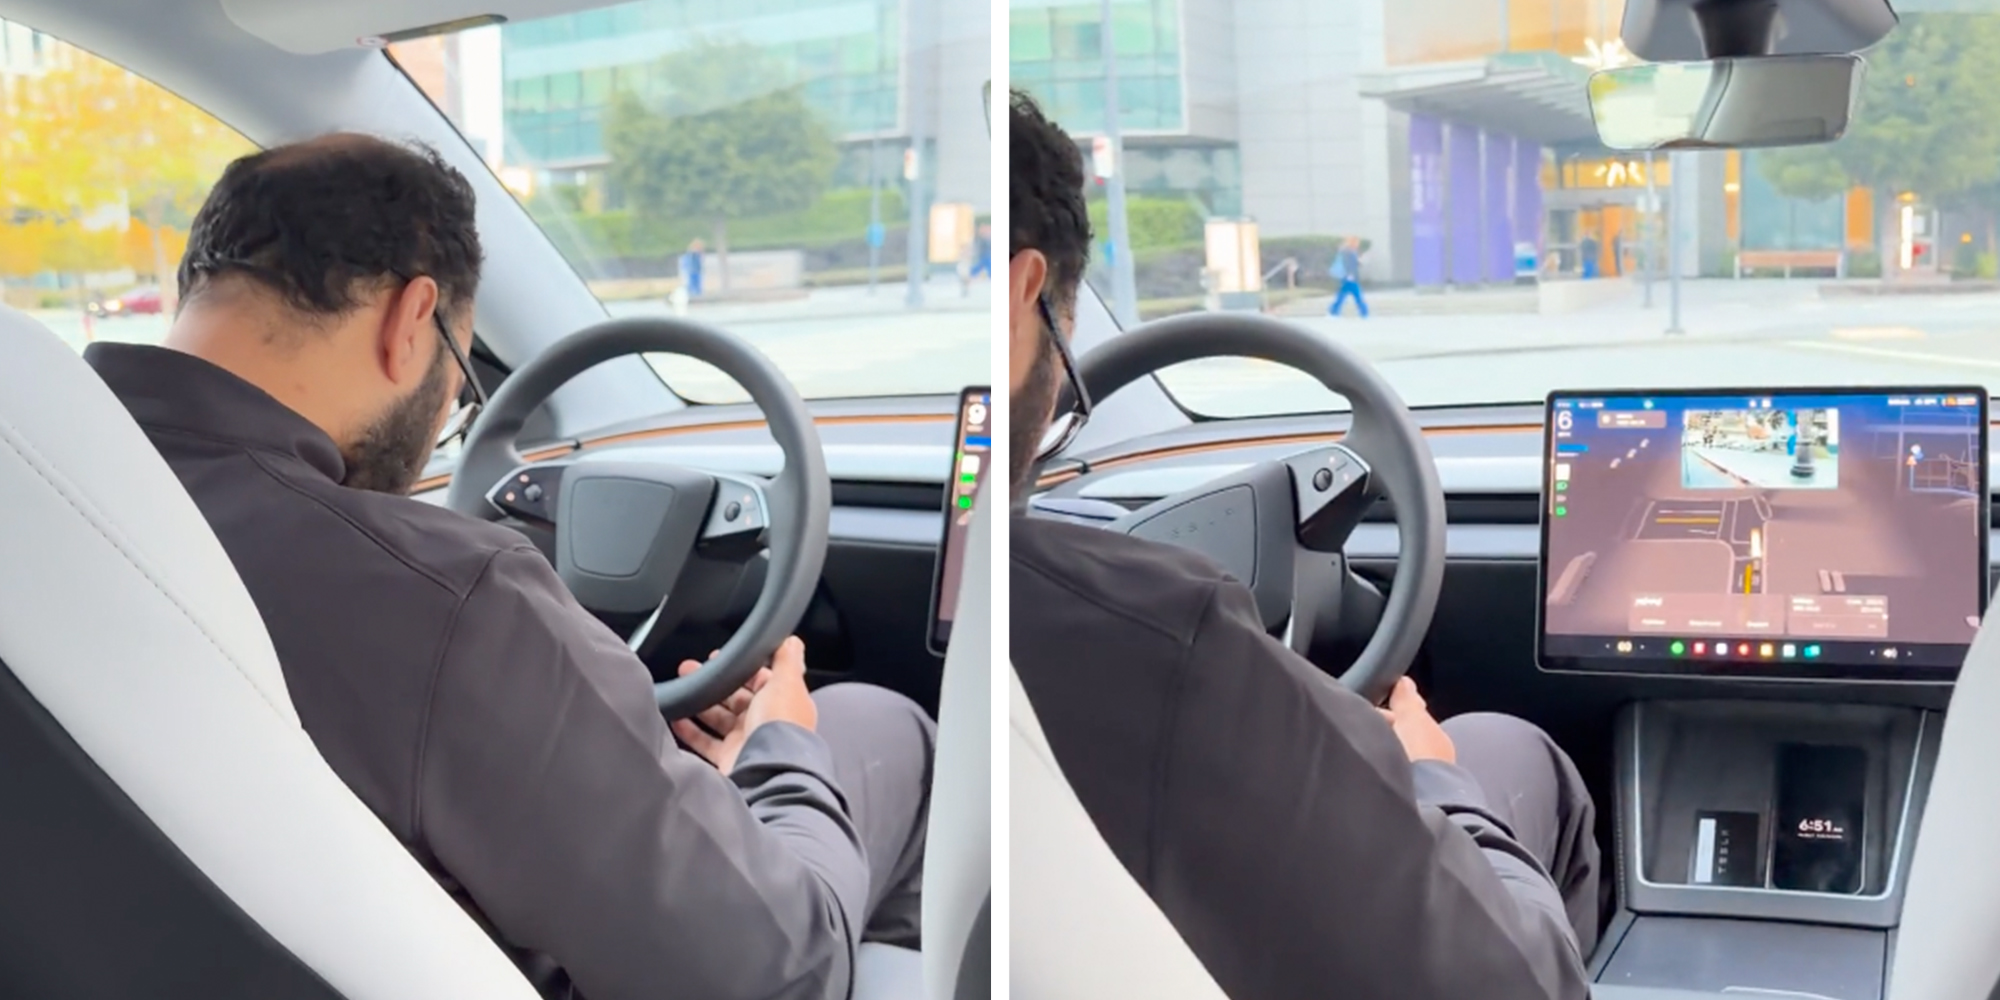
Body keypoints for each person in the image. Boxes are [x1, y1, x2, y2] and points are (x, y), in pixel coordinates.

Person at [84, 133, 932, 1000]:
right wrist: (780, 750)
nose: (450, 408)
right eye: (461, 374)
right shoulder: (447, 601)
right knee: (878, 723)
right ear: (412, 320)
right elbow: (780, 975)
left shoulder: (45, 493)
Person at [1008, 89, 1599, 1000]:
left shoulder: (983, 595)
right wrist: (1433, 779)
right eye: (1066, 326)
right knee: (1500, 745)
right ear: (1023, 299)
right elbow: (1519, 985)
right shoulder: (1169, 633)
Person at [1328, 235, 1369, 318]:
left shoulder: (1348, 251)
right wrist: (1350, 274)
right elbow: (1349, 265)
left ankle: (1334, 311)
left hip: (1347, 277)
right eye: (1356, 242)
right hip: (1350, 277)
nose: (1357, 244)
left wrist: (1359, 261)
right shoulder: (1349, 252)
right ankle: (1364, 312)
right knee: (1357, 295)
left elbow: (1353, 264)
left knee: (1342, 294)